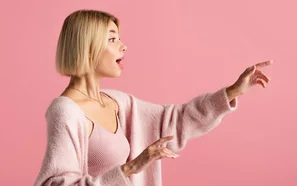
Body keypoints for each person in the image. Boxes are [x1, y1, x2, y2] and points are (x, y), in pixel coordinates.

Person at [34, 9, 273, 186]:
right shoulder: (66, 110)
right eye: (112, 39)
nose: (123, 46)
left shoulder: (119, 103)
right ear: (88, 46)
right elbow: (54, 183)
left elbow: (178, 119)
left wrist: (232, 91)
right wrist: (130, 168)